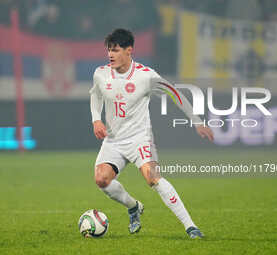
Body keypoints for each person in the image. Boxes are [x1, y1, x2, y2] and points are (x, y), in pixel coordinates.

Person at [90, 28, 214, 238]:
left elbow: (175, 94)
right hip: (113, 140)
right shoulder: (101, 73)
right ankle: (133, 207)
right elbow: (95, 94)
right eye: (109, 50)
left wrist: (197, 121)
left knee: (152, 178)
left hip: (139, 139)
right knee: (102, 180)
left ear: (129, 51)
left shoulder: (146, 76)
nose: (110, 54)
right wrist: (96, 119)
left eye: (116, 50)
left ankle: (190, 226)